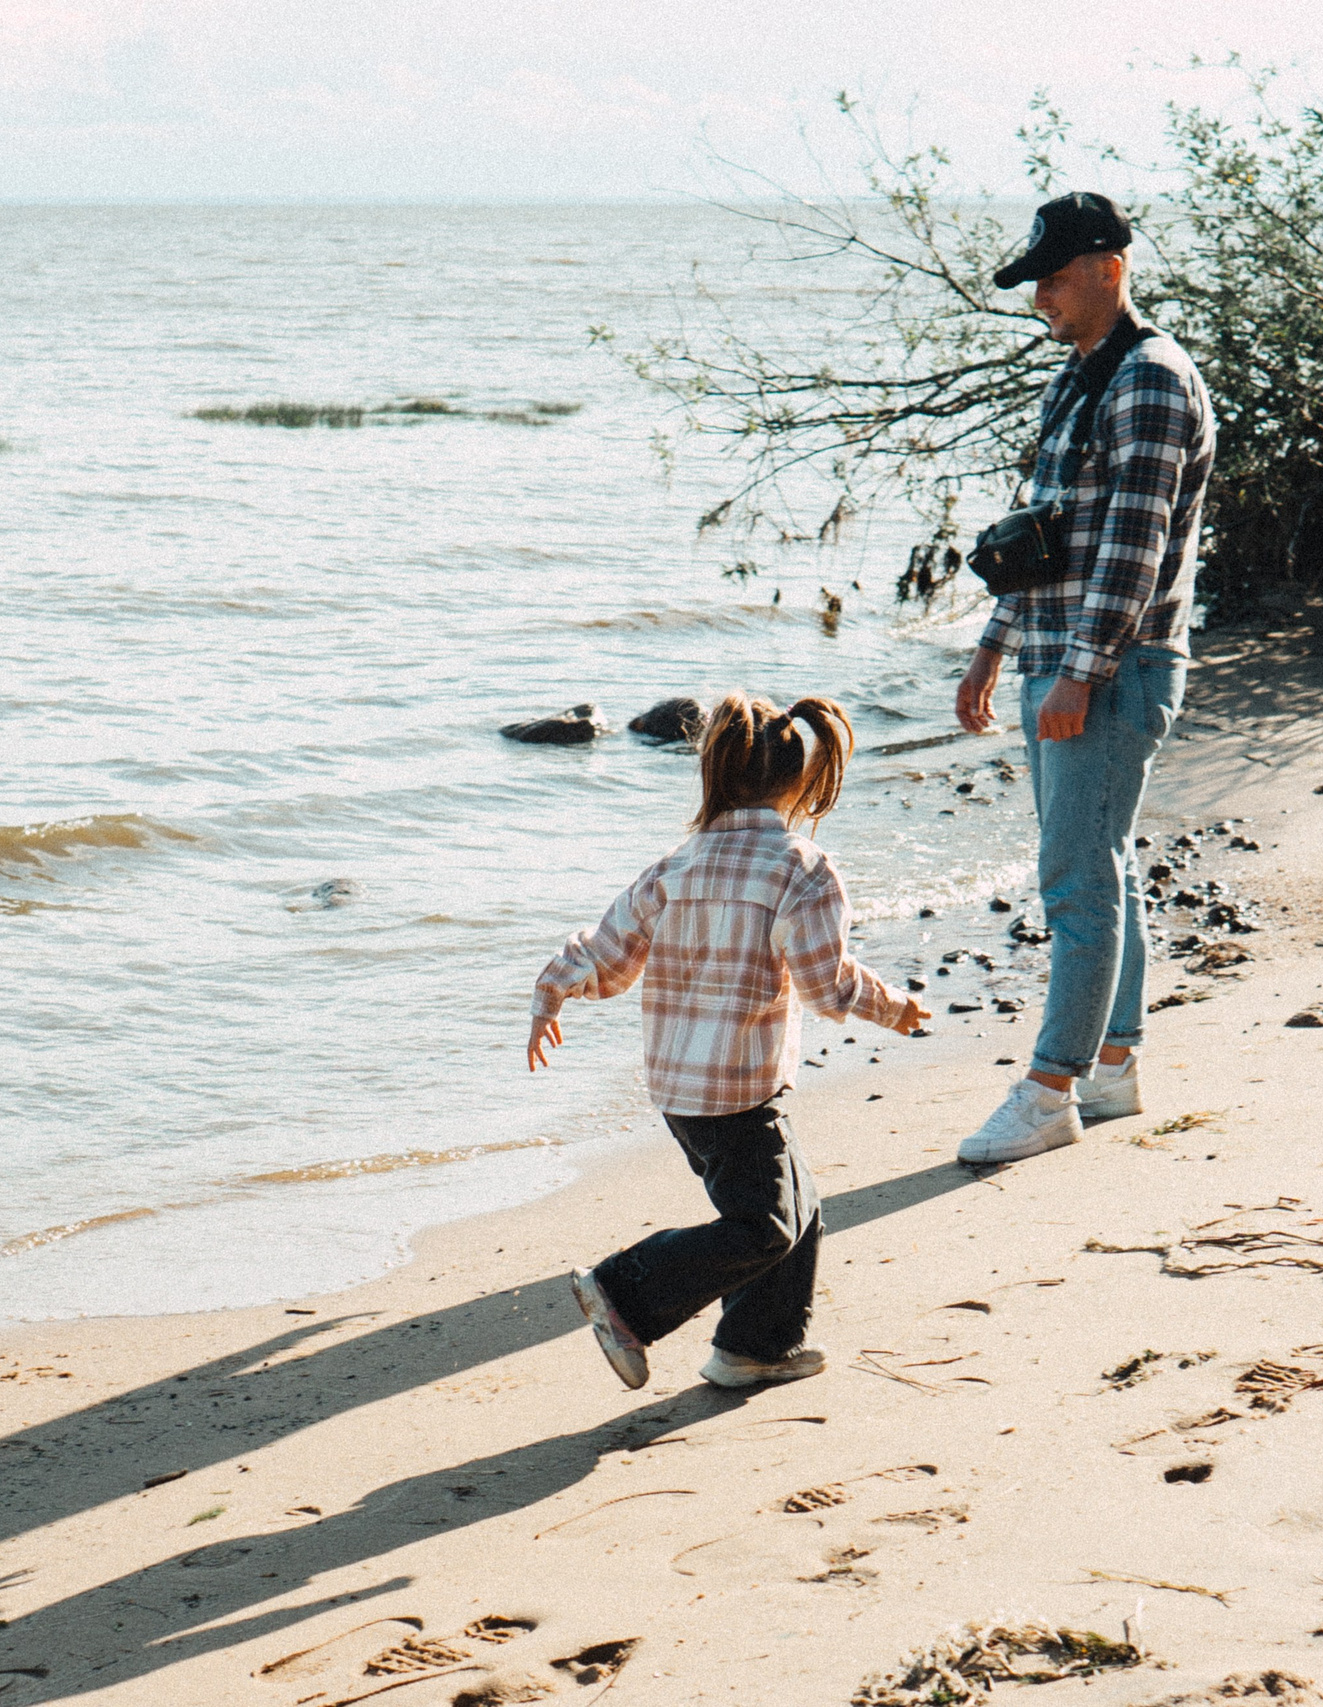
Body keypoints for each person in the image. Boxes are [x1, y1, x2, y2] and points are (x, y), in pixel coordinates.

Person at [525, 693, 929, 1390]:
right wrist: (891, 1006)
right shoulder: (801, 868)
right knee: (764, 1226)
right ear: (800, 781)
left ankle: (754, 1346)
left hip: (681, 1090)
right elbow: (825, 985)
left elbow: (609, 954)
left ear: (716, 774)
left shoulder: (677, 864)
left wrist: (551, 991)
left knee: (796, 1208)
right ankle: (625, 1290)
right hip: (739, 1091)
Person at [951, 191, 1216, 1164]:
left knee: (1075, 879)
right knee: (1100, 865)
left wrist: (1076, 676)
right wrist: (991, 646)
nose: (1041, 302)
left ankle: (1050, 1089)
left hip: (1110, 667)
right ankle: (1112, 1066)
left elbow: (1133, 556)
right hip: (1056, 657)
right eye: (1035, 285)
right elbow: (1046, 540)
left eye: (1053, 281)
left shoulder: (1149, 380)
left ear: (1109, 267)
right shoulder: (1077, 378)